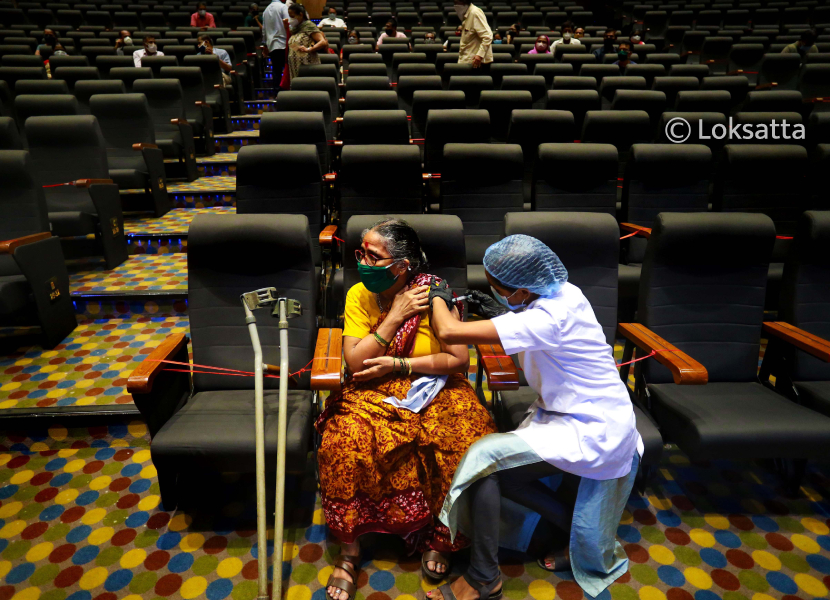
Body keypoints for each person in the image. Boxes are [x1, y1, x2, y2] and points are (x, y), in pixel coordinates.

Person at [425, 234, 643, 600]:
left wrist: (437, 298)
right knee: (507, 479)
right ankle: (574, 537)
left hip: (593, 426)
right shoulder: (565, 292)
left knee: (484, 459)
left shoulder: (548, 317)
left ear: (523, 291)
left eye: (498, 290)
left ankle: (483, 578)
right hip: (574, 410)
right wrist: (502, 313)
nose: (494, 293)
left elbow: (449, 331)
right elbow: (529, 330)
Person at [318, 219, 497, 600]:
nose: (363, 262)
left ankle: (444, 537)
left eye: (373, 256)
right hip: (372, 387)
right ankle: (350, 553)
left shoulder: (434, 293)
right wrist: (396, 315)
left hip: (435, 384)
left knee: (468, 437)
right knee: (341, 441)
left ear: (403, 265)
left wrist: (401, 365)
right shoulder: (358, 295)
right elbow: (354, 362)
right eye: (360, 253)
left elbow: (457, 360)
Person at [285, 3, 328, 83]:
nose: (291, 19)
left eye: (292, 16)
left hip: (307, 65)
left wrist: (309, 49)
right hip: (295, 67)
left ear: (301, 15)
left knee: (307, 89)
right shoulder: (295, 29)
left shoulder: (309, 26)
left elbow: (322, 42)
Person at [455, 0, 492, 68]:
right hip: (467, 61)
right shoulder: (467, 14)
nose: (455, 5)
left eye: (457, 2)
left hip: (476, 63)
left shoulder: (475, 13)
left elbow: (487, 36)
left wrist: (480, 55)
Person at [262, 0, 289, 82]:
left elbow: (264, 30)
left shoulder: (265, 11)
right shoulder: (283, 7)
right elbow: (288, 23)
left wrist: (264, 45)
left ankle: (277, 92)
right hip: (283, 43)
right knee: (287, 69)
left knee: (276, 70)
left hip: (272, 45)